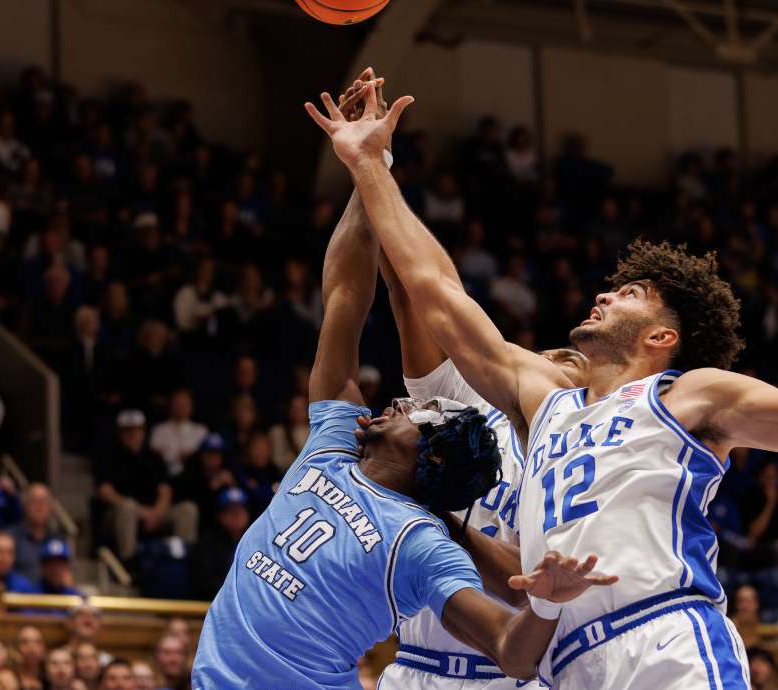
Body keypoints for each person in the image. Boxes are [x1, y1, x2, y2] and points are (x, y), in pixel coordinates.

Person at [309, 74, 778, 689]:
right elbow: (435, 291)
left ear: (662, 338)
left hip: (664, 640)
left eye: (631, 293)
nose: (605, 293)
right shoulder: (543, 400)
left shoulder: (691, 395)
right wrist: (370, 163)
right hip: (566, 663)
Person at [192, 95, 615, 690]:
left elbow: (517, 621)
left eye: (564, 362)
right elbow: (376, 294)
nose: (400, 401)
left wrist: (536, 596)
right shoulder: (356, 437)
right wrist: (369, 163)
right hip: (413, 666)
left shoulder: (431, 531)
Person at [96, 409, 198, 561]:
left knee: (187, 509)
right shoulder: (109, 456)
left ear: (143, 431)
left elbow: (165, 490)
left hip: (154, 512)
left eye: (137, 429)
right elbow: (105, 491)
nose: (133, 434)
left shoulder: (154, 457)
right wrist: (143, 512)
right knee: (127, 507)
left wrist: (157, 512)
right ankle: (129, 562)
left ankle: (184, 560)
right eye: (128, 430)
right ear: (120, 432)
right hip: (122, 514)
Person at [188, 487, 249, 601]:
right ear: (220, 516)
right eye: (231, 511)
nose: (236, 516)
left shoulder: (252, 541)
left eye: (240, 510)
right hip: (211, 603)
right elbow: (205, 583)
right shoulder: (207, 543)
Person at [5, 483, 61, 583]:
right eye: (35, 501)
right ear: (25, 505)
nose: (40, 507)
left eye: (44, 501)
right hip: (18, 592)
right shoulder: (9, 538)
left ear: (50, 507)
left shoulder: (57, 540)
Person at [148, 389, 207, 478]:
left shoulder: (201, 431)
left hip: (195, 478)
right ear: (170, 406)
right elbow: (156, 454)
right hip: (165, 476)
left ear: (191, 406)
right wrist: (180, 455)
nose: (181, 408)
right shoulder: (159, 430)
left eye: (185, 404)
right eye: (177, 404)